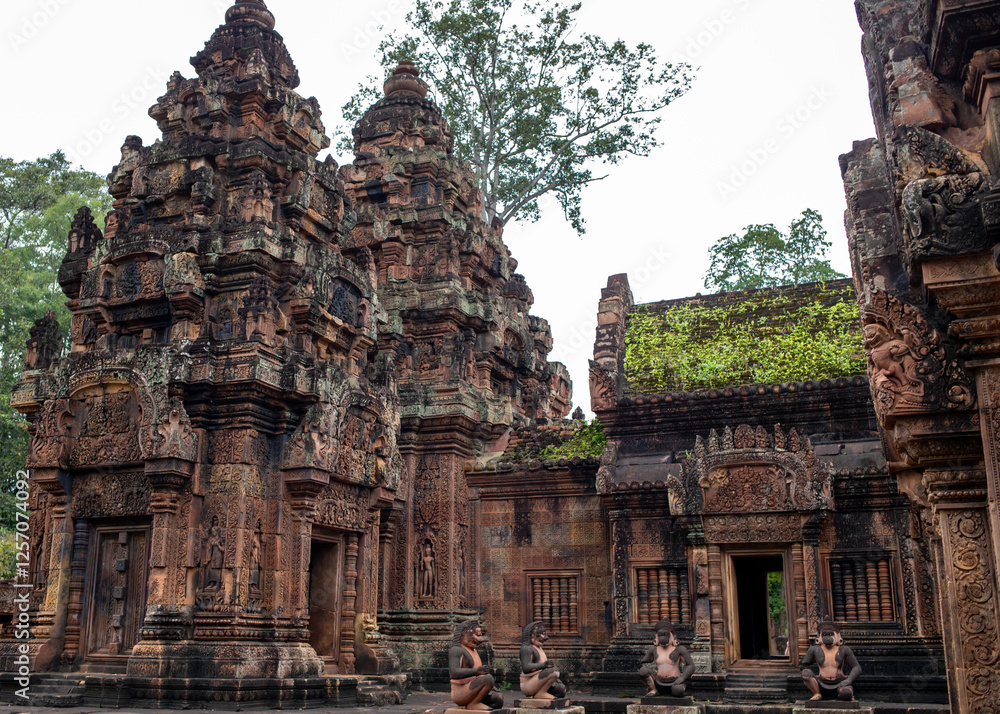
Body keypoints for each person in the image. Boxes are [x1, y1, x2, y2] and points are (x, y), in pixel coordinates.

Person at [449, 619, 504, 710]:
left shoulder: (473, 651)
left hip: (473, 690)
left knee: (499, 699)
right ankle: (474, 703)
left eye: (479, 635)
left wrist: (490, 686)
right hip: (460, 691)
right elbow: (453, 672)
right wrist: (476, 671)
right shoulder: (457, 650)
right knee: (488, 678)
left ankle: (475, 701)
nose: (479, 640)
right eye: (475, 635)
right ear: (464, 634)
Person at [801, 620, 862, 701]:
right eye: (824, 634)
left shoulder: (844, 650)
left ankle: (839, 696)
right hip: (820, 683)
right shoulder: (814, 649)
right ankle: (817, 693)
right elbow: (804, 665)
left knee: (846, 693)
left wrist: (849, 680)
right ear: (819, 638)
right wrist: (810, 679)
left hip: (840, 683)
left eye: (830, 634)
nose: (827, 637)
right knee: (805, 673)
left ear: (838, 636)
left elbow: (857, 667)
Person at [639, 620, 696, 698]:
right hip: (658, 681)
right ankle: (653, 689)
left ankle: (676, 689)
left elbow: (691, 666)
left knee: (678, 690)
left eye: (666, 634)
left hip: (675, 682)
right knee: (643, 671)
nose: (663, 637)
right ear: (656, 637)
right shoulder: (653, 650)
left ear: (672, 636)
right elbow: (644, 662)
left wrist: (682, 678)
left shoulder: (679, 650)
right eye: (660, 634)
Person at [519, 621, 567, 700]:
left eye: (544, 634)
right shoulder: (526, 648)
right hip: (528, 684)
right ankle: (541, 693)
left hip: (538, 682)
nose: (545, 637)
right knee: (554, 671)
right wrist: (544, 665)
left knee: (561, 690)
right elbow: (526, 668)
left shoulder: (539, 649)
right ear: (530, 634)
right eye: (540, 634)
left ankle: (541, 692)